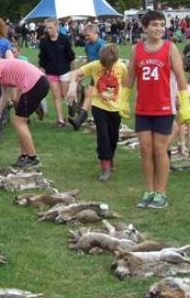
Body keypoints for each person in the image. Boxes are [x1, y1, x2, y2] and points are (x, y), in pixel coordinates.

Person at [122, 11, 190, 209]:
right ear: (144, 28)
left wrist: (184, 103)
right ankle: (149, 191)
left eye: (162, 24)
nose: (159, 28)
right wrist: (123, 100)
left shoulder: (170, 48)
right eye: (154, 25)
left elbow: (180, 77)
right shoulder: (137, 49)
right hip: (143, 108)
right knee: (145, 150)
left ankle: (161, 193)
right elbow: (130, 77)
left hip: (164, 108)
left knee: (160, 149)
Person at [0, 44, 49, 168]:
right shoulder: (2, 64)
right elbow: (4, 95)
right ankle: (24, 156)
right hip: (40, 82)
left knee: (19, 122)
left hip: (34, 85)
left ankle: (33, 158)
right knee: (21, 122)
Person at [67, 44, 127, 181]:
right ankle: (105, 167)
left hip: (115, 108)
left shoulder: (121, 67)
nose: (107, 67)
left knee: (113, 136)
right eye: (104, 64)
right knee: (103, 137)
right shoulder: (95, 65)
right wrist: (72, 86)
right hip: (98, 106)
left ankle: (110, 157)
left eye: (110, 64)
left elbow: (126, 83)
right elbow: (75, 73)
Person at [38, 18, 75, 127]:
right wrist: (41, 70)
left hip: (65, 70)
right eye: (47, 28)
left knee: (65, 95)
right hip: (51, 72)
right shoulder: (44, 42)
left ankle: (72, 107)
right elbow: (42, 58)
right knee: (56, 96)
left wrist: (74, 72)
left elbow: (71, 56)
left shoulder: (64, 39)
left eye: (50, 27)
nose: (48, 30)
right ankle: (60, 120)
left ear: (56, 27)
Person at [69, 23, 106, 130]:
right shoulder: (88, 45)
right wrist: (82, 71)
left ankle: (80, 120)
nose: (86, 38)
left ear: (95, 33)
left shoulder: (102, 45)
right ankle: (80, 120)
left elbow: (107, 61)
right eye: (85, 36)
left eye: (88, 35)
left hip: (102, 74)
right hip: (94, 73)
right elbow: (89, 59)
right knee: (90, 94)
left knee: (92, 95)